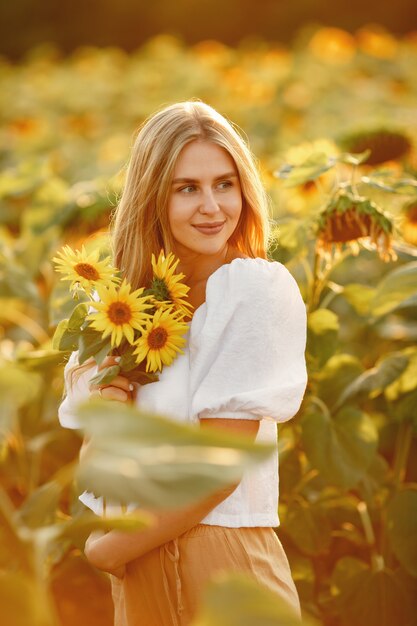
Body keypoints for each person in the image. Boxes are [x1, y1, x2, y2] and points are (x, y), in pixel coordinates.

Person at [58, 100, 308, 626]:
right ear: (152, 197)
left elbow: (219, 467)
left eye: (225, 184)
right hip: (138, 574)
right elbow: (99, 470)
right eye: (186, 188)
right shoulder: (123, 309)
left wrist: (108, 551)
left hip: (225, 564)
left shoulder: (251, 291)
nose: (212, 206)